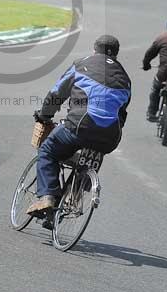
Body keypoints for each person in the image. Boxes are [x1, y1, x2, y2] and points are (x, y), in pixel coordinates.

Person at [26, 35, 131, 217]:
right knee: (94, 152)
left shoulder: (81, 64)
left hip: (80, 124)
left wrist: (45, 116)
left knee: (47, 150)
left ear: (94, 50)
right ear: (116, 54)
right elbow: (122, 113)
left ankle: (47, 196)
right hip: (111, 136)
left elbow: (56, 93)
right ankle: (75, 196)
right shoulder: (125, 78)